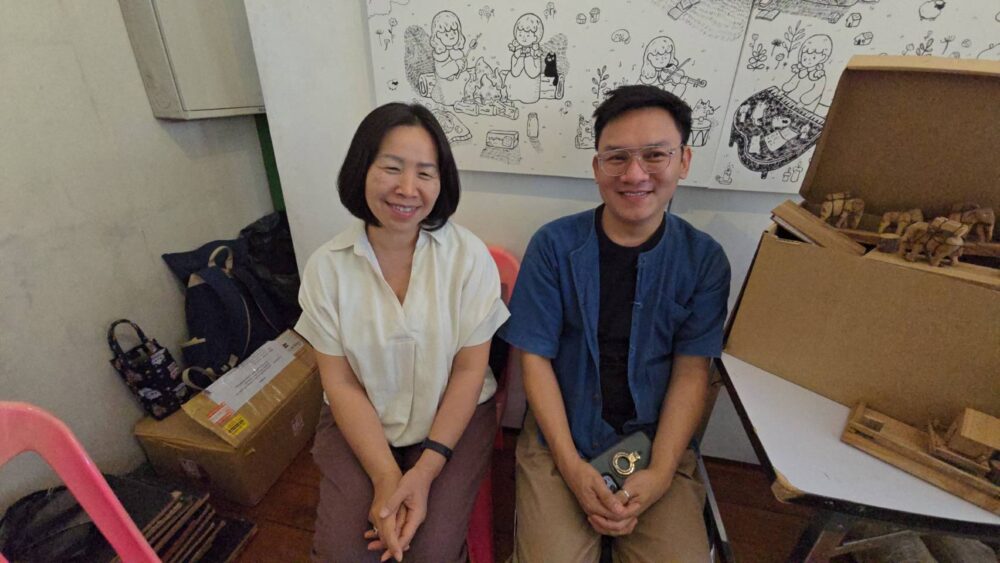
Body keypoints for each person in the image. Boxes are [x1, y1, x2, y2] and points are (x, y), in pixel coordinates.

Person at [501, 85, 731, 562]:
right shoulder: (553, 247)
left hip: (657, 440)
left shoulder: (704, 260)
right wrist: (570, 466)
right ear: (597, 166)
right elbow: (534, 361)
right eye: (617, 157)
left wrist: (661, 472)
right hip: (561, 437)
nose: (634, 174)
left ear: (684, 161)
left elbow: (692, 373)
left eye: (655, 155)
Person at [295, 102, 509, 562]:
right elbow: (341, 383)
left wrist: (425, 471)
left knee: (430, 551)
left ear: (441, 181)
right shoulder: (326, 268)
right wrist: (386, 477)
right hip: (361, 420)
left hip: (452, 417)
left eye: (425, 173)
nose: (407, 189)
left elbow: (469, 371)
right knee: (344, 553)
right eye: (391, 168)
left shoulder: (468, 258)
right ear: (362, 169)